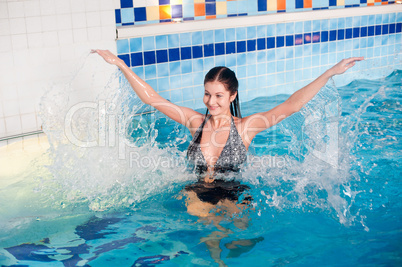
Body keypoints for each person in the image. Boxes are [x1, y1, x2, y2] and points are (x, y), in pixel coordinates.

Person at [93, 49, 363, 265]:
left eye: (219, 95)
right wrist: (120, 64)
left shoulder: (246, 127)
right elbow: (152, 99)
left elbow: (292, 105)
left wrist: (329, 73)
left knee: (241, 237)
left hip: (235, 190)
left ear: (232, 95)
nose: (211, 101)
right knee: (212, 232)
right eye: (207, 94)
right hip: (198, 189)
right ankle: (215, 262)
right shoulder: (194, 122)